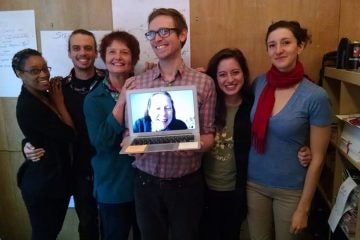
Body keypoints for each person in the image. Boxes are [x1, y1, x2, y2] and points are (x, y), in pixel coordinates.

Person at [123, 8, 216, 240]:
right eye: (152, 33)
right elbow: (127, 134)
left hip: (186, 186)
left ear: (182, 34)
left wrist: (188, 143)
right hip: (146, 184)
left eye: (164, 31)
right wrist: (132, 145)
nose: (157, 38)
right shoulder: (137, 83)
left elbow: (208, 136)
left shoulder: (203, 83)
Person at [246, 20, 332, 240]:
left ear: (300, 46)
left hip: (291, 191)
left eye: (286, 42)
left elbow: (318, 157)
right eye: (272, 45)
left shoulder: (315, 96)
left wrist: (304, 208)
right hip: (254, 185)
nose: (279, 50)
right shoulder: (259, 84)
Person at [23, 29, 103, 240]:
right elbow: (42, 126)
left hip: (111, 167)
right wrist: (27, 144)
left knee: (117, 221)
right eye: (76, 48)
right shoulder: (58, 89)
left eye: (88, 48)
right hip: (77, 171)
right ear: (69, 52)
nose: (82, 53)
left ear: (96, 53)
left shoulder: (111, 82)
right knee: (87, 224)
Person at [83, 31, 140, 240]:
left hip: (144, 184)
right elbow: (102, 141)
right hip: (112, 186)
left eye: (125, 52)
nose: (118, 57)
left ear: (133, 58)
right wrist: (122, 99)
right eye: (112, 52)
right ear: (104, 57)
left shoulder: (145, 88)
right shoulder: (93, 99)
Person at [13, 48, 75, 239]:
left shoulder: (43, 95)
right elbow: (69, 135)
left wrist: (26, 143)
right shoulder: (29, 105)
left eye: (44, 68)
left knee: (49, 232)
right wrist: (60, 102)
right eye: (34, 71)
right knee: (44, 234)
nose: (43, 74)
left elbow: (40, 137)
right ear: (19, 74)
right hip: (43, 185)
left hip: (54, 181)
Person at [201, 48, 253, 240]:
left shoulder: (252, 106)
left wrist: (303, 149)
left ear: (244, 74)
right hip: (204, 190)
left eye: (235, 72)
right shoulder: (207, 105)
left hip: (238, 190)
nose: (229, 79)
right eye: (222, 74)